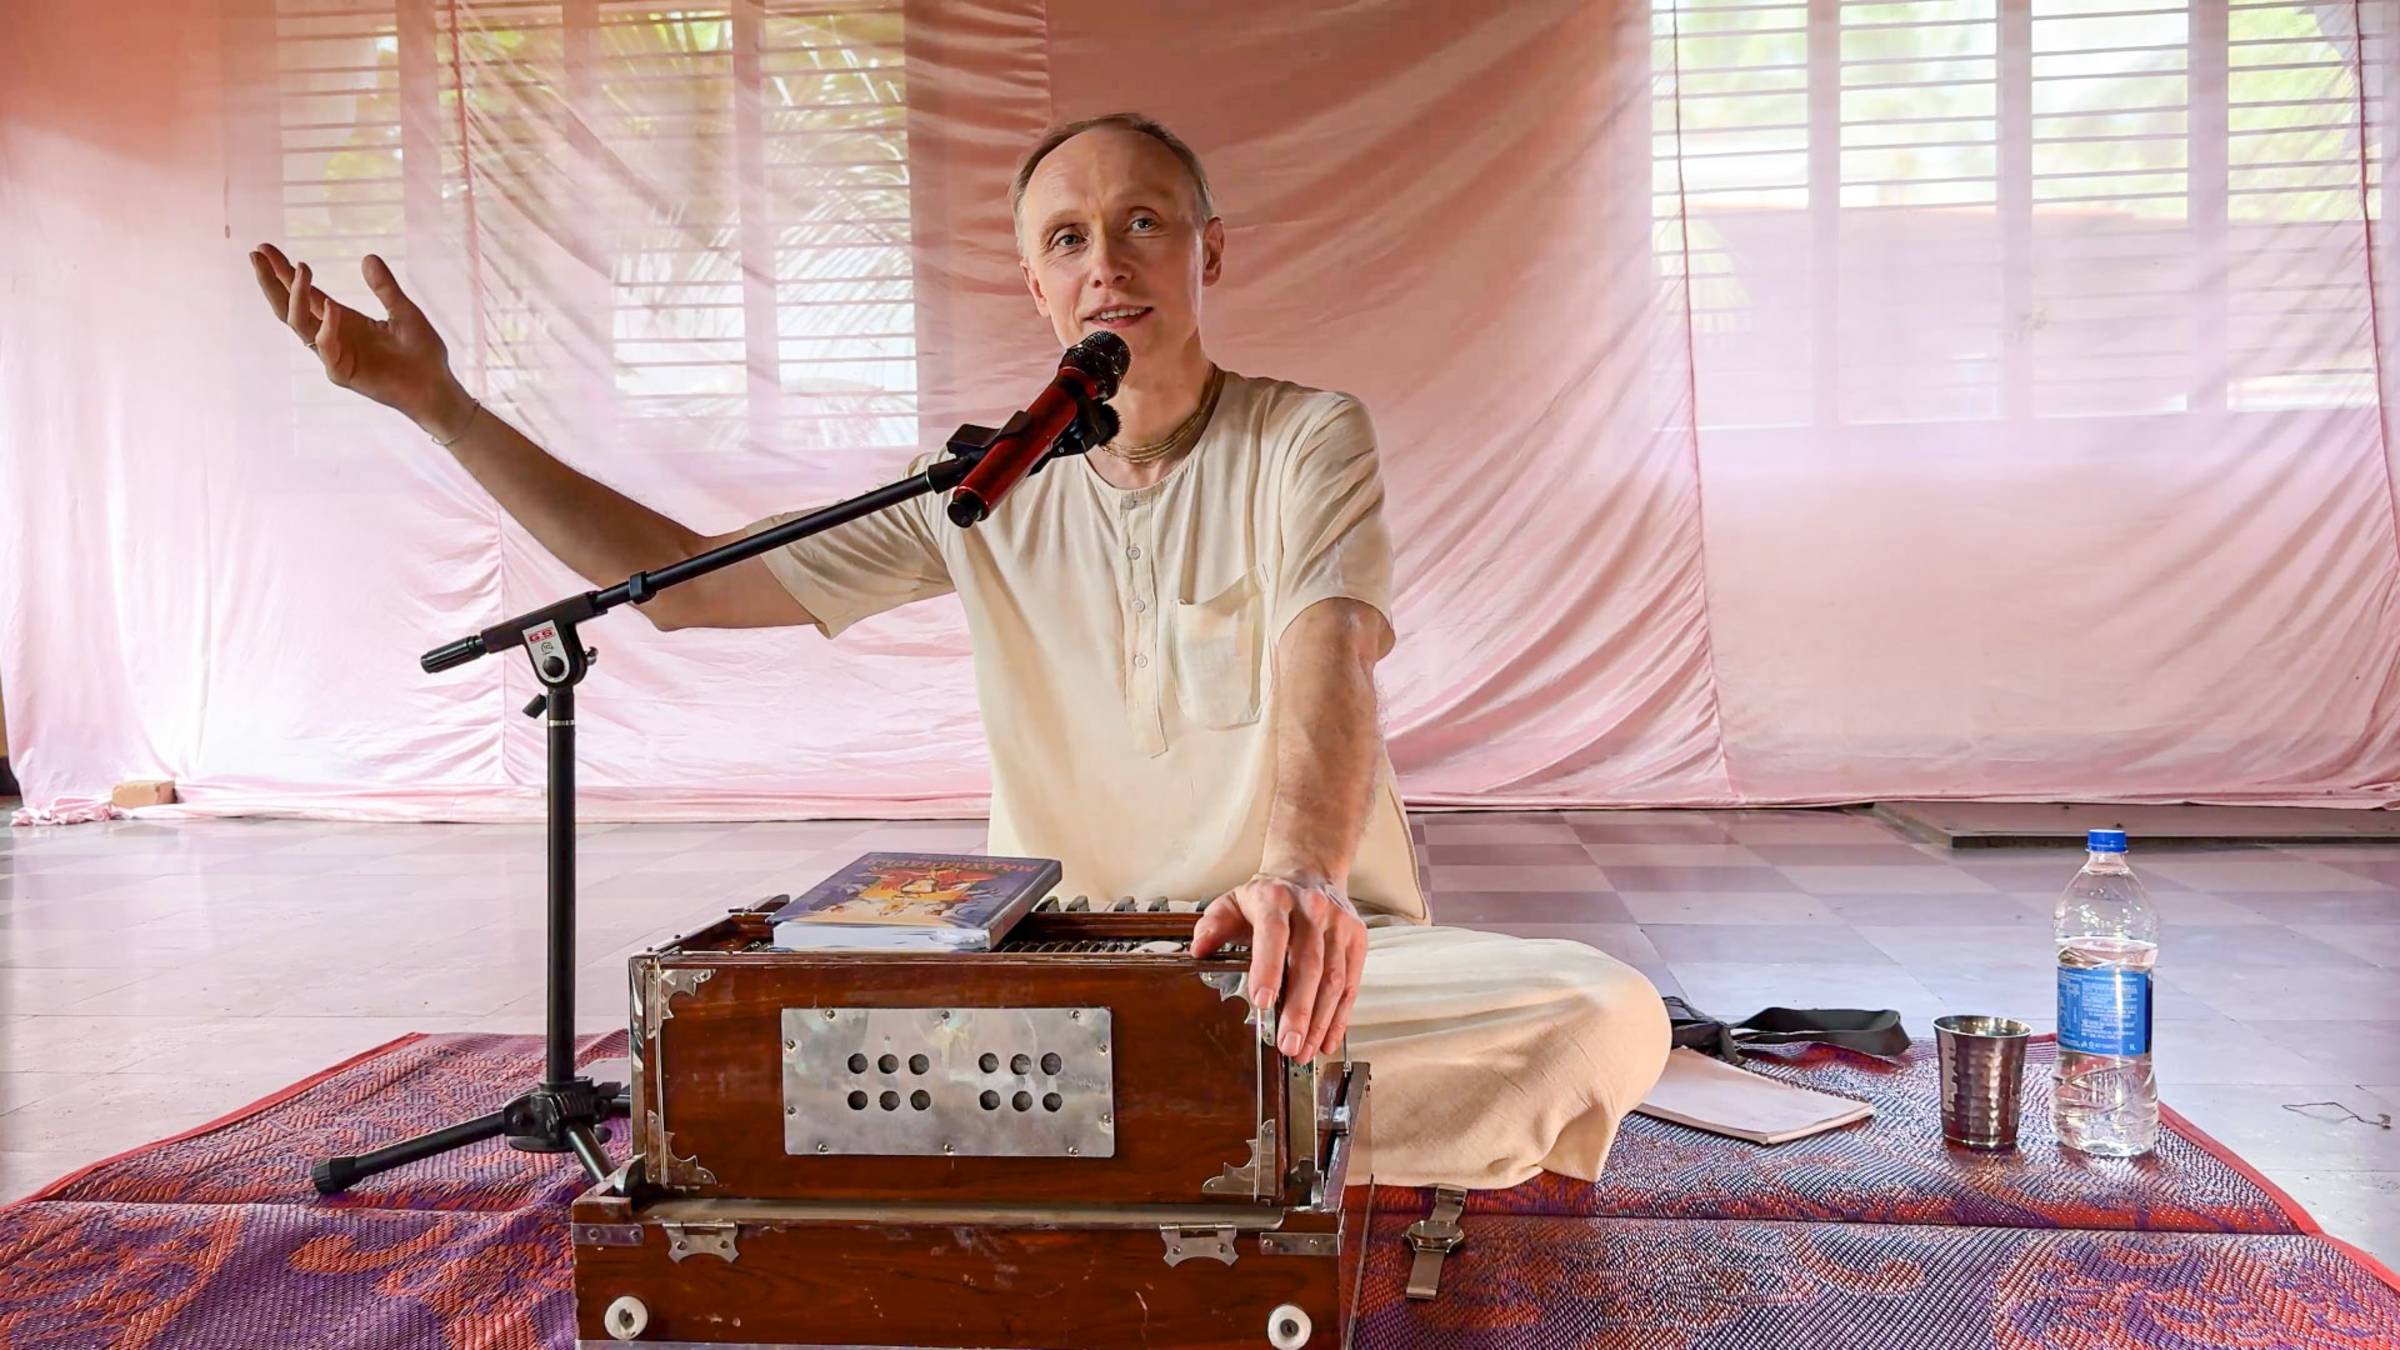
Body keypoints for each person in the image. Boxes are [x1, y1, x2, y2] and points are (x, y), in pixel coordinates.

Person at [247, 112, 1669, 1190]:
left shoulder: (1306, 437)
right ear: (1036, 285)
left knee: (1602, 1013)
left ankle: (1116, 1128)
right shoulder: (984, 487)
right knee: (796, 1042)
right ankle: (1199, 1124)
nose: (1107, 261)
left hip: (1296, 965)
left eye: (1144, 224)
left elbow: (1328, 643)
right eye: (1068, 238)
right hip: (1072, 968)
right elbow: (677, 586)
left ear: (1210, 251)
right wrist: (442, 408)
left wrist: (1299, 871)